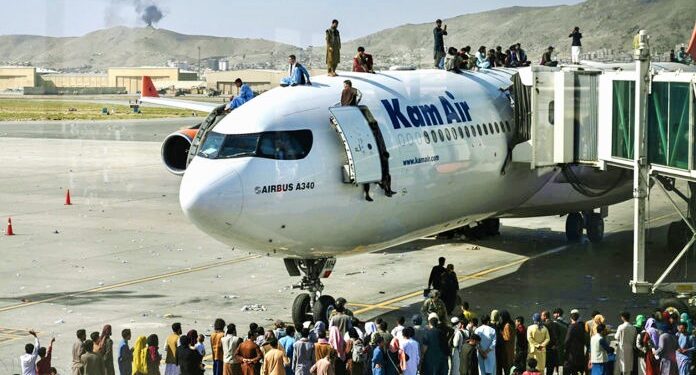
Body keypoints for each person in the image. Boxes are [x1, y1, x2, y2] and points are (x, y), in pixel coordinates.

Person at [541, 311, 559, 375]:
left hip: (548, 347)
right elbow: (557, 335)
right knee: (551, 366)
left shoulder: (545, 325)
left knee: (546, 365)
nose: (541, 317)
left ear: (545, 316)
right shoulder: (555, 323)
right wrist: (556, 344)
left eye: (542, 316)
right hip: (554, 347)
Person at [499, 311, 515, 375]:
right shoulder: (512, 323)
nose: (500, 318)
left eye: (501, 317)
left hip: (507, 348)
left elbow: (507, 338)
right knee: (510, 364)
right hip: (511, 346)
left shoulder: (507, 326)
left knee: (507, 365)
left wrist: (501, 333)